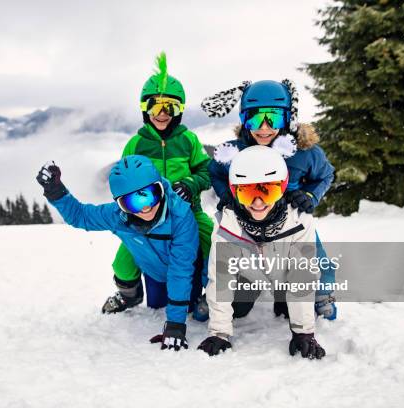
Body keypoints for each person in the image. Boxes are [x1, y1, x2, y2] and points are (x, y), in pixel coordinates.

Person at [202, 79, 337, 320]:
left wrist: (309, 195)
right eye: (255, 118)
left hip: (292, 225)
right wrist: (227, 196)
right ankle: (216, 295)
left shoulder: (304, 153)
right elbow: (216, 172)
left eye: (273, 118)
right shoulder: (234, 151)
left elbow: (325, 175)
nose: (264, 127)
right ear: (244, 119)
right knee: (224, 257)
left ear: (287, 118)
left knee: (314, 261)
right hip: (249, 223)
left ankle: (321, 295)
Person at [36, 155, 200, 351]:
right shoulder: (118, 216)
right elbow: (81, 216)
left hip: (188, 270)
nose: (145, 206)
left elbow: (181, 271)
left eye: (150, 194)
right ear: (120, 204)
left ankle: (208, 297)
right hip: (154, 270)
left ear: (161, 189)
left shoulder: (181, 216)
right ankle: (130, 295)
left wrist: (175, 324)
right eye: (132, 202)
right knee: (152, 300)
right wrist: (56, 192)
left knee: (194, 309)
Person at [103, 52, 214, 322]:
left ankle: (209, 293)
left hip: (187, 212)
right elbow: (123, 179)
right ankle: (130, 295)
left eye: (170, 108)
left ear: (180, 110)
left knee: (212, 240)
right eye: (155, 107)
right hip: (145, 214)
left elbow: (206, 171)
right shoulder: (136, 144)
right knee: (123, 260)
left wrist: (190, 183)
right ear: (144, 108)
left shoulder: (188, 139)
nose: (162, 114)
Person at [198, 146, 326, 359]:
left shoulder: (299, 220)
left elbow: (302, 275)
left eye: (268, 190)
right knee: (238, 309)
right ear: (234, 191)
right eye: (247, 192)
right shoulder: (226, 225)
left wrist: (304, 333)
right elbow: (220, 279)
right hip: (251, 277)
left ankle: (281, 299)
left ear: (283, 188)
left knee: (289, 306)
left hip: (285, 277)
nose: (258, 202)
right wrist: (219, 332)